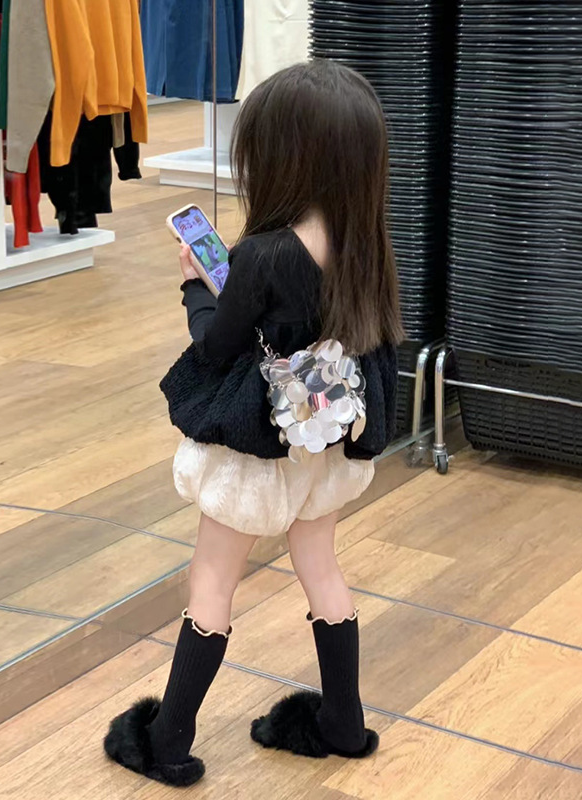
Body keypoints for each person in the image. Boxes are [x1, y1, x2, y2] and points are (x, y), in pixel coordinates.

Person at [104, 60, 403, 786]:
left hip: (258, 449)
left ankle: (168, 741)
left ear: (280, 156)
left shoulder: (263, 253)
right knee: (321, 565)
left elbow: (215, 346)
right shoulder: (367, 243)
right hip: (328, 440)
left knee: (213, 578)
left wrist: (195, 288)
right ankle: (343, 722)